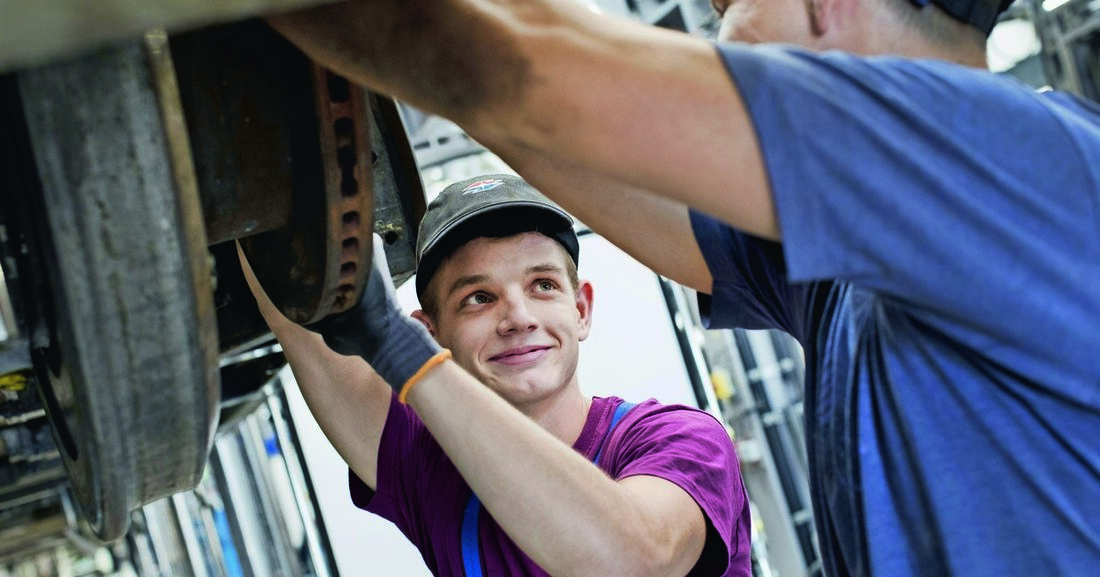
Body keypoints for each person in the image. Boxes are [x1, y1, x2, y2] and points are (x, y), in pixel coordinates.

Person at [260, 0, 1100, 576]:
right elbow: (526, 113)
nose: (718, 36)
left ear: (824, 6)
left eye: (728, 6)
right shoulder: (854, 278)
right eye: (476, 297)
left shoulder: (1021, 166)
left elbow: (518, 72)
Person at [239, 174, 752, 576]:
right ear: (432, 331)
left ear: (582, 310)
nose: (518, 317)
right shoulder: (429, 470)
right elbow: (286, 279)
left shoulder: (682, 443)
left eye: (543, 285)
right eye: (478, 298)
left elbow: (636, 559)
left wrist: (398, 349)